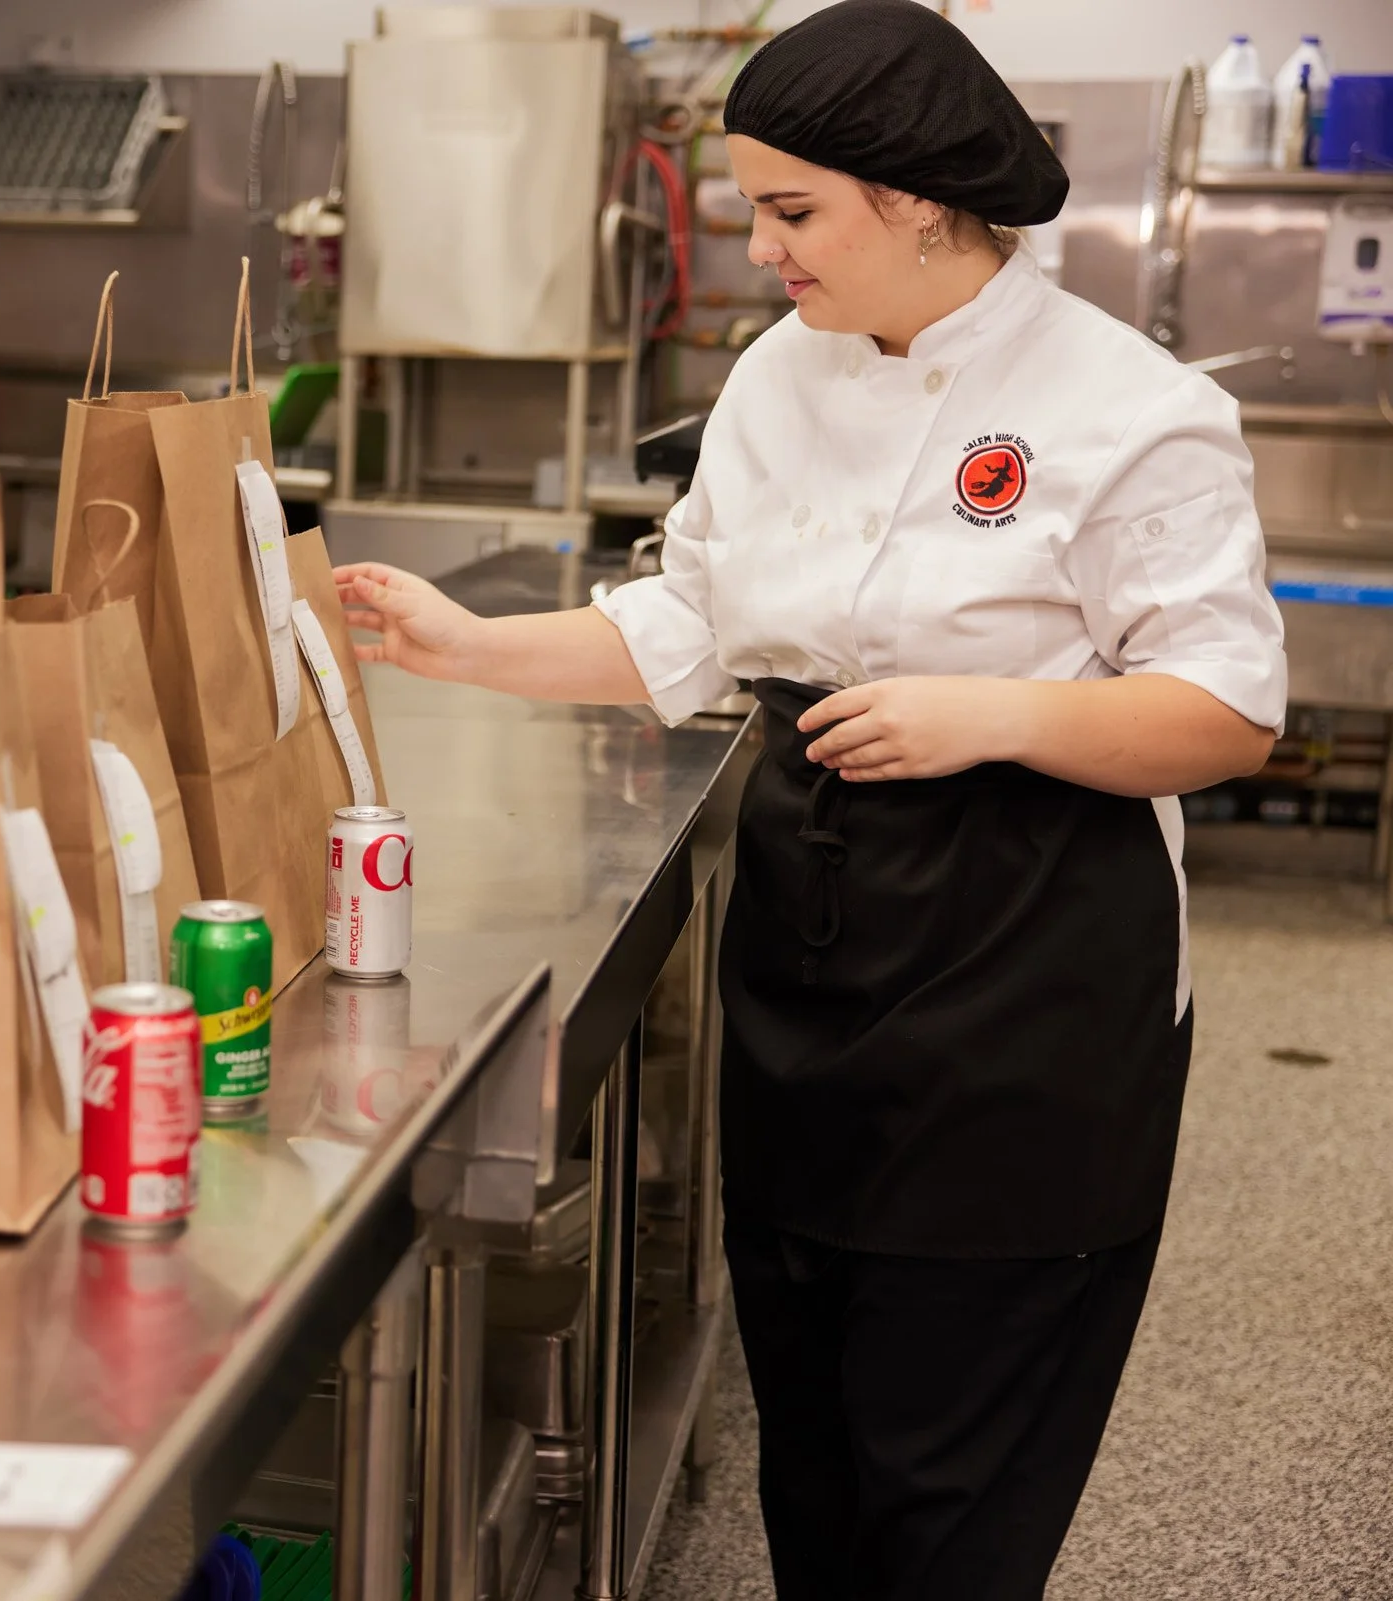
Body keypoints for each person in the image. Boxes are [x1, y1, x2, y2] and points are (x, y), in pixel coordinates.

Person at [336, 2, 1286, 1596]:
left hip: (1027, 966)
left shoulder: (1130, 408)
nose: (761, 250)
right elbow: (696, 622)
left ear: (916, 199)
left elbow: (1227, 712)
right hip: (812, 946)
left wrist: (989, 713)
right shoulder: (781, 372)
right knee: (818, 1438)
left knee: (949, 1477)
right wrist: (468, 646)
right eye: (753, 209)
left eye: (791, 211)